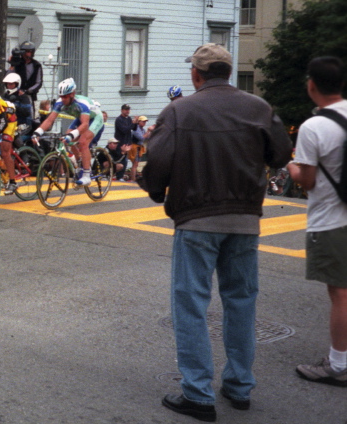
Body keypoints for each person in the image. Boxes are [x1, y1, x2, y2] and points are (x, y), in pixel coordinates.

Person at [142, 43, 291, 421]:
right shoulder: (258, 107)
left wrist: (158, 191)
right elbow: (281, 154)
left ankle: (198, 393)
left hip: (196, 219)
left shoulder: (179, 110)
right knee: (241, 302)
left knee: (190, 305)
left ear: (196, 74)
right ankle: (240, 387)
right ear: (228, 71)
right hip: (245, 220)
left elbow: (156, 160)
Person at [287, 56, 347, 387]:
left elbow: (306, 180)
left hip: (332, 219)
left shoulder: (313, 127)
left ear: (312, 84)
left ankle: (338, 365)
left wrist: (292, 165)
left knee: (340, 293)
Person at [31, 78, 104, 186]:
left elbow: (85, 124)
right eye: (61, 96)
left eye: (65, 96)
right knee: (66, 139)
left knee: (83, 142)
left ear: (72, 94)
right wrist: (38, 132)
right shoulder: (59, 103)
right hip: (79, 118)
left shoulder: (82, 103)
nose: (63, 99)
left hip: (95, 119)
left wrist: (72, 135)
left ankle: (86, 175)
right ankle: (79, 163)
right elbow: (49, 120)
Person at [128, 115, 149, 180]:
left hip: (139, 147)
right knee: (135, 164)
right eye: (143, 121)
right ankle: (133, 179)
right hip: (134, 146)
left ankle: (134, 177)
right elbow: (141, 137)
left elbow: (147, 137)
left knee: (136, 164)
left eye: (145, 122)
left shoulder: (142, 129)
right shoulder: (136, 128)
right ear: (139, 122)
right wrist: (148, 131)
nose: (144, 123)